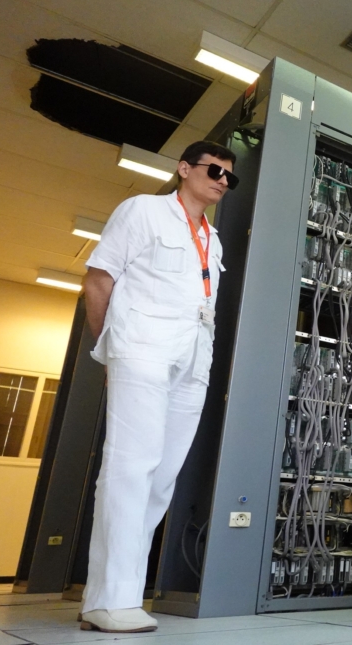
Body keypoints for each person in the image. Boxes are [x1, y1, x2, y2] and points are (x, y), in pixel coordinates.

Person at [78, 141, 238, 633]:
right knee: (131, 466)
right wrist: (110, 350)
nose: (223, 181)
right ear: (184, 168)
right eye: (214, 170)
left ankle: (117, 595)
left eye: (230, 177)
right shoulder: (143, 211)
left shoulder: (213, 240)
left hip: (192, 360)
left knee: (162, 477)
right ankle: (111, 599)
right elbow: (98, 280)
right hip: (142, 350)